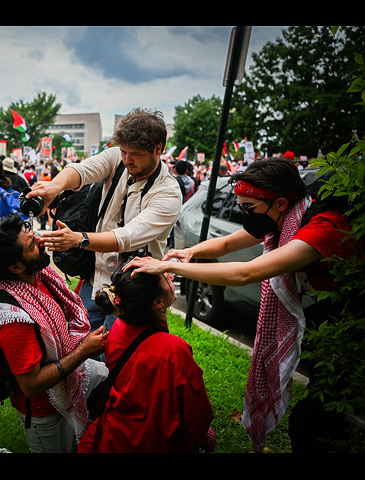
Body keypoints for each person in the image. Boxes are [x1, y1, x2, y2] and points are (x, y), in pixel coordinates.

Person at [124, 156, 357, 453]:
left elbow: (248, 272)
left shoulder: (323, 227)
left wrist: (169, 269)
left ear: (281, 203)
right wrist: (189, 252)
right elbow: (226, 244)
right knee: (321, 406)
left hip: (350, 319)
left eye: (249, 208)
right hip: (327, 312)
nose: (246, 216)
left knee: (312, 420)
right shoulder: (279, 217)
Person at [28, 107, 182, 333]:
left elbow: (127, 237)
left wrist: (78, 239)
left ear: (159, 149)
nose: (127, 160)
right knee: (80, 343)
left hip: (134, 290)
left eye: (136, 153)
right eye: (123, 151)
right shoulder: (116, 159)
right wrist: (54, 186)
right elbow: (82, 170)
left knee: (115, 356)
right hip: (95, 278)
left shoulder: (168, 193)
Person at [0, 213, 109, 453]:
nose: (41, 241)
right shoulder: (12, 319)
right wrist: (84, 351)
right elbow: (31, 384)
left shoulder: (37, 275)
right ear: (15, 267)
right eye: (31, 244)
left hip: (76, 377)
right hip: (43, 411)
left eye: (33, 233)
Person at [77, 262, 215, 453]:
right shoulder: (174, 351)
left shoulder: (117, 327)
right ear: (158, 303)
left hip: (113, 437)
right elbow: (197, 415)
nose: (172, 278)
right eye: (167, 278)